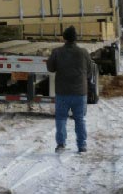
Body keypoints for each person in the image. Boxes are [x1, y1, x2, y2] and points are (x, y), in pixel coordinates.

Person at [46, 25, 93, 153]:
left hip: (62, 92)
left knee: (61, 119)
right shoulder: (84, 52)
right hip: (80, 93)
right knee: (80, 119)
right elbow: (89, 71)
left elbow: (50, 68)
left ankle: (61, 144)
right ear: (76, 38)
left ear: (64, 38)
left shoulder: (57, 52)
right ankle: (82, 145)